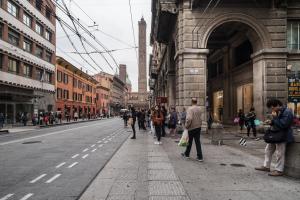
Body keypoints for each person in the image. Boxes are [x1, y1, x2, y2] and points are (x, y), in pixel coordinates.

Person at [255, 99, 294, 176]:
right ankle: (266, 166)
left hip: (283, 135)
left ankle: (279, 170)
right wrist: (271, 122)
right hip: (275, 134)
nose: (272, 109)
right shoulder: (277, 111)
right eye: (271, 108)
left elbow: (283, 124)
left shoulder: (287, 112)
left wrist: (275, 118)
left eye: (273, 108)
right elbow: (277, 122)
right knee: (268, 150)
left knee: (279, 153)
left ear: (278, 105)